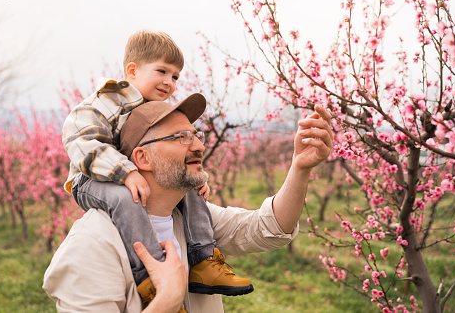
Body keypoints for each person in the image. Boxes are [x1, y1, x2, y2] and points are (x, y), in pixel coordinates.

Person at [43, 93, 334, 312]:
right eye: (181, 137)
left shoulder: (193, 221)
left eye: (196, 135)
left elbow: (269, 228)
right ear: (142, 158)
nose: (199, 145)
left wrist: (300, 167)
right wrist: (166, 301)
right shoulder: (91, 247)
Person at [61, 30, 252, 308]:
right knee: (125, 199)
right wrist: (126, 172)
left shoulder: (152, 108)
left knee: (186, 186)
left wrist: (197, 176)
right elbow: (80, 140)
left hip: (127, 172)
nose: (169, 82)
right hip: (91, 178)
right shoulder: (107, 101)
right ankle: (148, 276)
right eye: (161, 71)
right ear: (132, 71)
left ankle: (202, 261)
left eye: (175, 76)